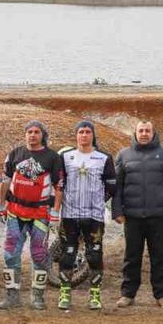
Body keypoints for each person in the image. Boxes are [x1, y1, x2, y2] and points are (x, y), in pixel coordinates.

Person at [112, 120, 163, 309]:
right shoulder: (124, 155)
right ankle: (127, 294)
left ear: (153, 133)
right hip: (132, 216)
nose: (144, 134)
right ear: (135, 133)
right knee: (131, 256)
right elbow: (117, 187)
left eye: (147, 131)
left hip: (159, 216)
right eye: (141, 130)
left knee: (159, 256)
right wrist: (117, 211)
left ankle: (161, 295)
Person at [0, 120, 64, 310]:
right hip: (15, 211)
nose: (32, 135)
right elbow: (5, 181)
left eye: (36, 132)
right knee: (10, 254)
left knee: (39, 254)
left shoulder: (52, 157)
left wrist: (55, 212)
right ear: (25, 134)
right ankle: (12, 296)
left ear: (43, 135)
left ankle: (37, 297)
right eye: (29, 132)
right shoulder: (15, 154)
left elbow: (59, 186)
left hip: (40, 213)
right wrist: (0, 205)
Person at [57, 120, 116, 311]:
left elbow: (111, 187)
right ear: (76, 135)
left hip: (94, 216)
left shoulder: (104, 158)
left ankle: (95, 295)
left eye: (87, 132)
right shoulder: (65, 157)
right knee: (67, 254)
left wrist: (98, 200)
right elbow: (59, 184)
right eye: (81, 132)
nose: (84, 135)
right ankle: (65, 293)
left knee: (95, 255)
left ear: (93, 135)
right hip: (70, 214)